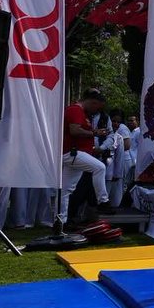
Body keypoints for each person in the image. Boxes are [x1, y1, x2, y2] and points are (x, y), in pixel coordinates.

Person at [59, 89, 112, 231]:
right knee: (99, 167)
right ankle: (103, 201)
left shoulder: (82, 112)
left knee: (66, 190)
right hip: (73, 153)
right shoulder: (75, 110)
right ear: (92, 102)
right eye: (97, 107)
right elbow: (74, 130)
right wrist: (94, 132)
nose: (96, 110)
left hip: (76, 154)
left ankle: (61, 222)